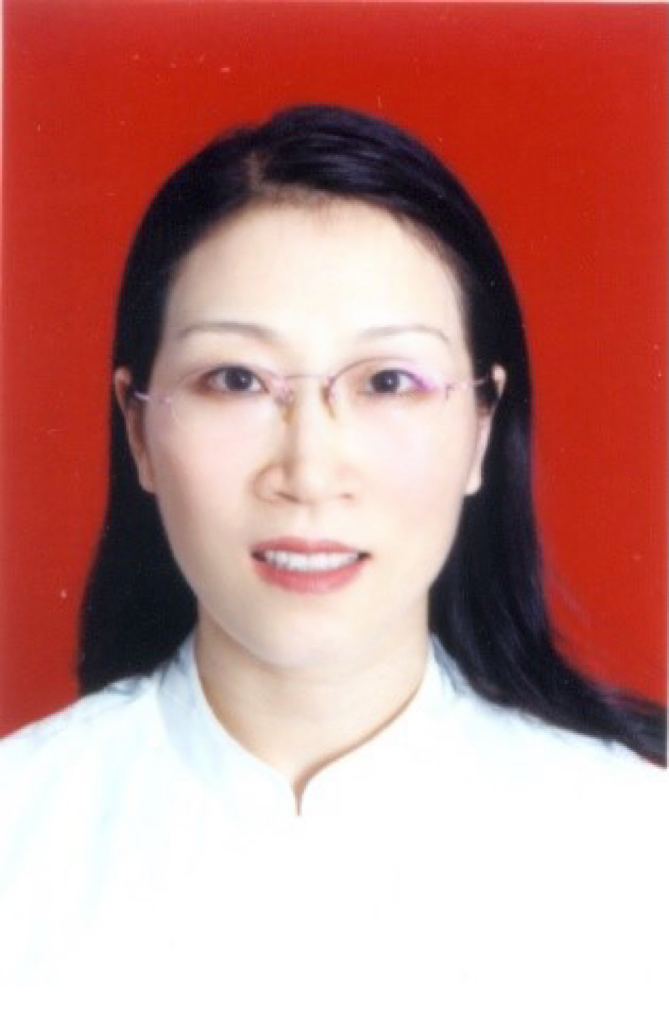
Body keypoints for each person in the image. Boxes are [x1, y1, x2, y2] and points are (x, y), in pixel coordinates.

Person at [0, 105, 665, 1023]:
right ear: (139, 431)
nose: (308, 472)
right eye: (234, 379)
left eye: (388, 381)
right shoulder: (21, 834)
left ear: (481, 427)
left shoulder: (636, 851)